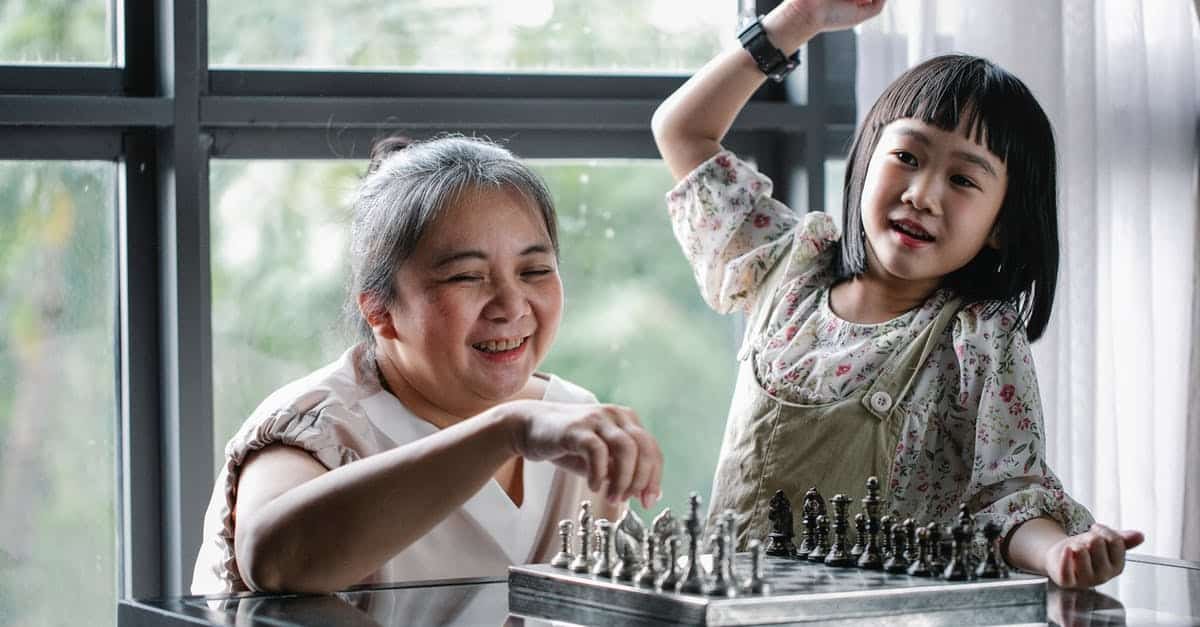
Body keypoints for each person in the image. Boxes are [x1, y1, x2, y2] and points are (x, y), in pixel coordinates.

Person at [651, 0, 1141, 589]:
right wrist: (798, 20)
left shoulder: (979, 335)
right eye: (906, 157)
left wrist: (1061, 551)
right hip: (734, 604)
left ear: (1003, 226)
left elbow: (1008, 498)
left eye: (963, 179)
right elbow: (682, 130)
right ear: (865, 159)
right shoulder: (788, 265)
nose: (922, 193)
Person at [192, 135, 663, 594]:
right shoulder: (320, 427)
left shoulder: (571, 417)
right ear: (379, 310)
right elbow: (272, 560)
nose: (510, 305)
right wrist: (506, 431)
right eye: (466, 277)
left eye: (534, 270)